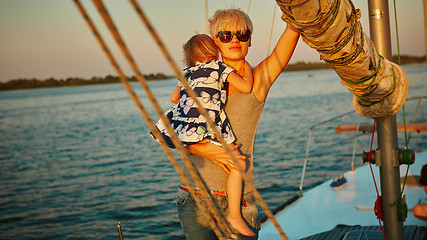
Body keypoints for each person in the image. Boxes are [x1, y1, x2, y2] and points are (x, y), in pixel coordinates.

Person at [176, 7, 300, 240]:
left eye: (242, 34)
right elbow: (177, 132)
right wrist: (206, 150)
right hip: (193, 196)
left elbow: (291, 34)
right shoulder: (197, 80)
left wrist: (298, 11)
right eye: (226, 35)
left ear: (250, 40)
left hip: (238, 203)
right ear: (215, 42)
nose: (234, 39)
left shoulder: (258, 81)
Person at [153, 34, 255, 236]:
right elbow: (246, 86)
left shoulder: (187, 74)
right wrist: (248, 69)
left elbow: (174, 98)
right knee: (239, 165)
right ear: (214, 51)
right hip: (207, 127)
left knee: (225, 160)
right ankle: (234, 215)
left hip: (186, 128)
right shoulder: (219, 68)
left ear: (189, 58)